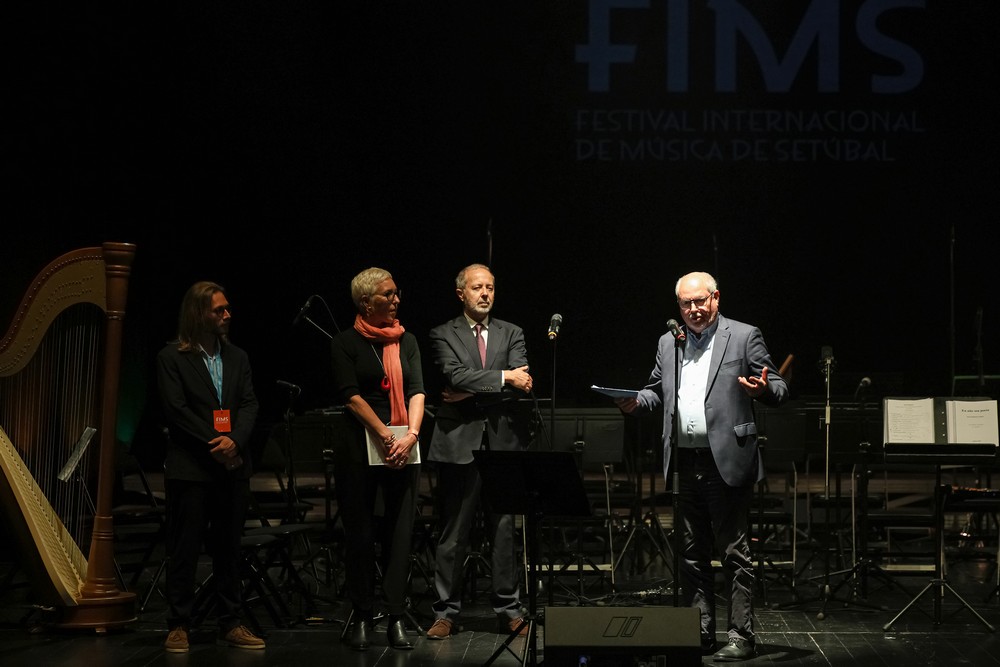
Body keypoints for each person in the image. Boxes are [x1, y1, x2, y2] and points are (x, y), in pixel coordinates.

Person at [616, 271, 788, 662]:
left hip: (725, 460)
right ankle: (701, 631)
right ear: (677, 307)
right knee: (690, 555)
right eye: (685, 304)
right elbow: (655, 388)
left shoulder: (744, 336)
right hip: (683, 461)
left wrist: (763, 390)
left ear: (716, 298)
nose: (693, 310)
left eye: (700, 301)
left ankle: (741, 635)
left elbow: (779, 386)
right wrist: (635, 402)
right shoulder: (668, 342)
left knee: (734, 553)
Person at [425, 263, 534, 640]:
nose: (485, 293)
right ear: (462, 293)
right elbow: (453, 376)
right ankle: (445, 612)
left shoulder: (512, 332)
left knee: (505, 529)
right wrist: (502, 378)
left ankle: (509, 610)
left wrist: (472, 391)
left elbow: (524, 382)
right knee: (454, 531)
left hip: (503, 442)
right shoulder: (442, 333)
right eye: (477, 287)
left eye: (490, 286)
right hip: (459, 444)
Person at [156, 280, 265, 652]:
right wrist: (214, 444)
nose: (227, 315)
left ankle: (231, 621)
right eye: (219, 310)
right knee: (184, 548)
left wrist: (234, 440)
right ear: (198, 313)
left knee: (228, 548)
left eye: (227, 308)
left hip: (233, 465)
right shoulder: (172, 358)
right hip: (192, 468)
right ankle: (178, 624)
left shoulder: (238, 357)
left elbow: (250, 404)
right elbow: (176, 410)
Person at [330, 267, 425, 651]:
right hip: (361, 445)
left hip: (404, 446)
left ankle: (396, 615)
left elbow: (417, 391)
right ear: (366, 302)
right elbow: (351, 396)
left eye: (397, 292)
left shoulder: (408, 340)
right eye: (388, 294)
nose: (397, 299)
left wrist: (411, 435)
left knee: (399, 535)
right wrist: (384, 434)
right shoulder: (345, 342)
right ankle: (363, 614)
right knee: (361, 533)